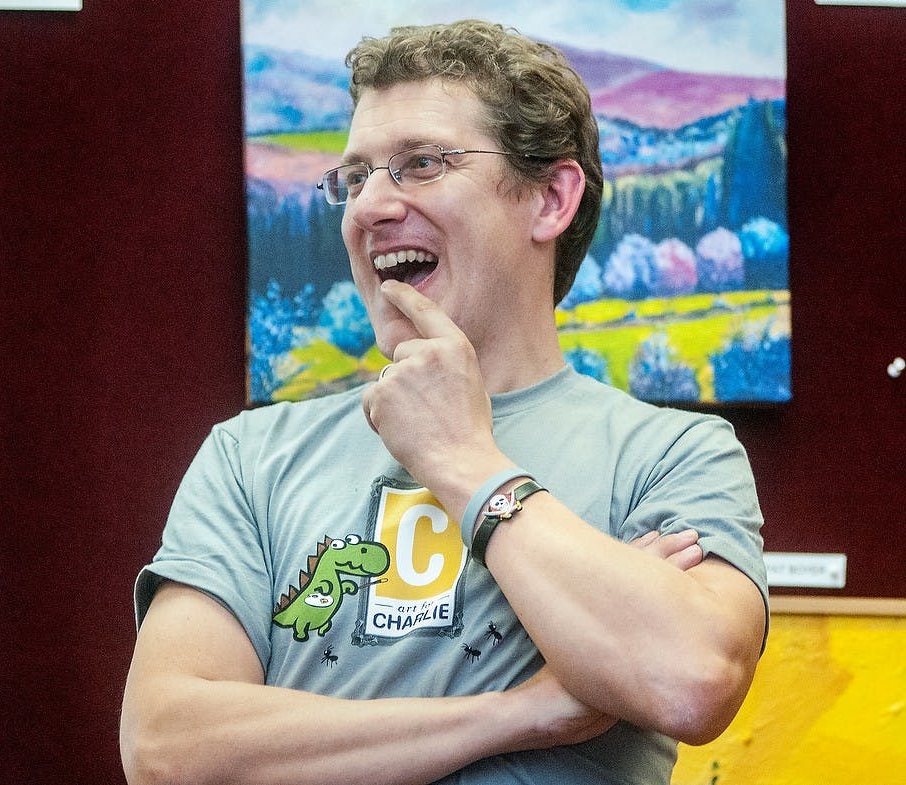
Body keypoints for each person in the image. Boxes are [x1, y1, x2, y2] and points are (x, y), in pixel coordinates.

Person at [120, 19, 768, 785]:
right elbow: (168, 749)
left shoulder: (672, 456)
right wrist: (524, 711)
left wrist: (465, 462)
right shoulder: (250, 455)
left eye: (420, 164)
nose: (368, 208)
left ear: (551, 199)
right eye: (356, 178)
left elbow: (688, 679)